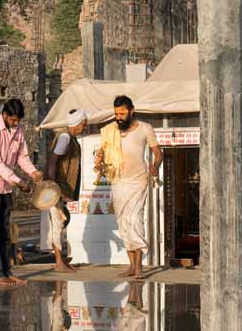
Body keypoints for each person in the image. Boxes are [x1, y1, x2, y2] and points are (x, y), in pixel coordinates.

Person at [0, 98, 43, 288]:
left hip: (6, 187)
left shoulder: (18, 130)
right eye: (13, 120)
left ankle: (7, 271)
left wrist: (32, 172)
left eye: (18, 121)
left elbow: (22, 156)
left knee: (6, 232)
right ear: (4, 115)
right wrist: (17, 180)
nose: (16, 124)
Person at [95, 96, 163, 280]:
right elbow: (102, 152)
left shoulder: (145, 128)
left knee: (135, 221)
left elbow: (157, 152)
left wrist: (155, 165)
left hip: (138, 181)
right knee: (124, 223)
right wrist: (100, 159)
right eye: (116, 113)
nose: (119, 117)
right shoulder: (110, 131)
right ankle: (131, 266)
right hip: (118, 181)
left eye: (122, 113)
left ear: (131, 111)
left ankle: (139, 266)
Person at [46, 109, 88, 272]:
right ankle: (58, 263)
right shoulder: (64, 137)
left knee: (61, 222)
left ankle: (61, 260)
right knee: (57, 223)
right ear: (77, 124)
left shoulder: (70, 138)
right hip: (56, 188)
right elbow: (53, 161)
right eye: (83, 124)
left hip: (61, 189)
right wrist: (53, 187)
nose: (85, 127)